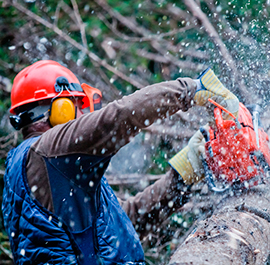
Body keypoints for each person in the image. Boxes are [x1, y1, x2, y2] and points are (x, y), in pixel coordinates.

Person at [2, 60, 238, 265]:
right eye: (76, 106)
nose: (83, 116)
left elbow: (122, 223)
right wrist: (192, 89)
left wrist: (183, 174)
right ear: (59, 110)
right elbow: (118, 117)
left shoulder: (46, 168)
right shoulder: (48, 152)